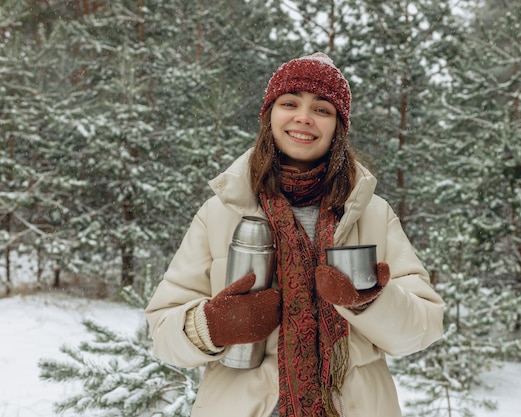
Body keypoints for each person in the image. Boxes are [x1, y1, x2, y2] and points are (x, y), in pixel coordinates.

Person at [145, 52, 445, 417]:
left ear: (338, 126)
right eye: (290, 103)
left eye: (322, 109)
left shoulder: (374, 214)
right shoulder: (221, 211)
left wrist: (371, 302)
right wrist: (210, 326)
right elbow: (161, 333)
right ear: (269, 115)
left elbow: (423, 329)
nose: (303, 117)